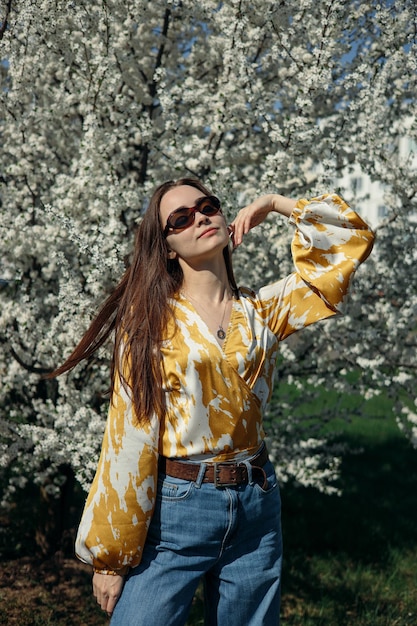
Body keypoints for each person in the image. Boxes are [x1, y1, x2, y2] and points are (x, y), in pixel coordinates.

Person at [51, 178, 374, 625]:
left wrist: (275, 202)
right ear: (166, 247)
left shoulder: (263, 310)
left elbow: (351, 240)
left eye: (208, 206)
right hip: (177, 509)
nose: (200, 217)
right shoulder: (148, 327)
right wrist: (110, 558)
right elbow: (128, 437)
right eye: (180, 218)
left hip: (257, 503)